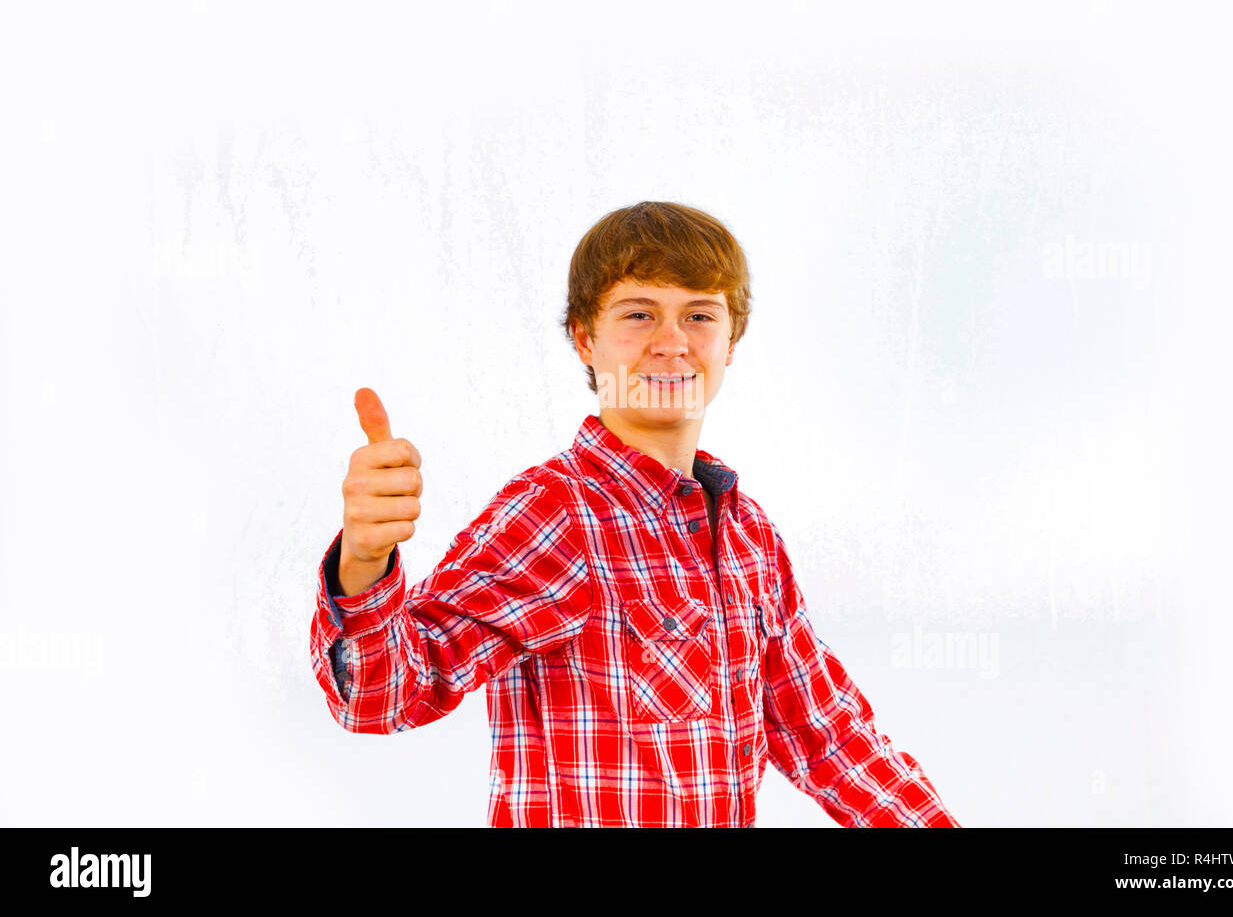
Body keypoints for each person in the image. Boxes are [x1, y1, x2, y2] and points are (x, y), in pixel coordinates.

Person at [309, 200, 960, 827]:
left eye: (700, 316)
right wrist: (363, 562)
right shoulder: (558, 515)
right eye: (640, 314)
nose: (673, 343)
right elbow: (386, 695)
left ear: (731, 341)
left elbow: (830, 739)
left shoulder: (748, 537)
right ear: (585, 338)